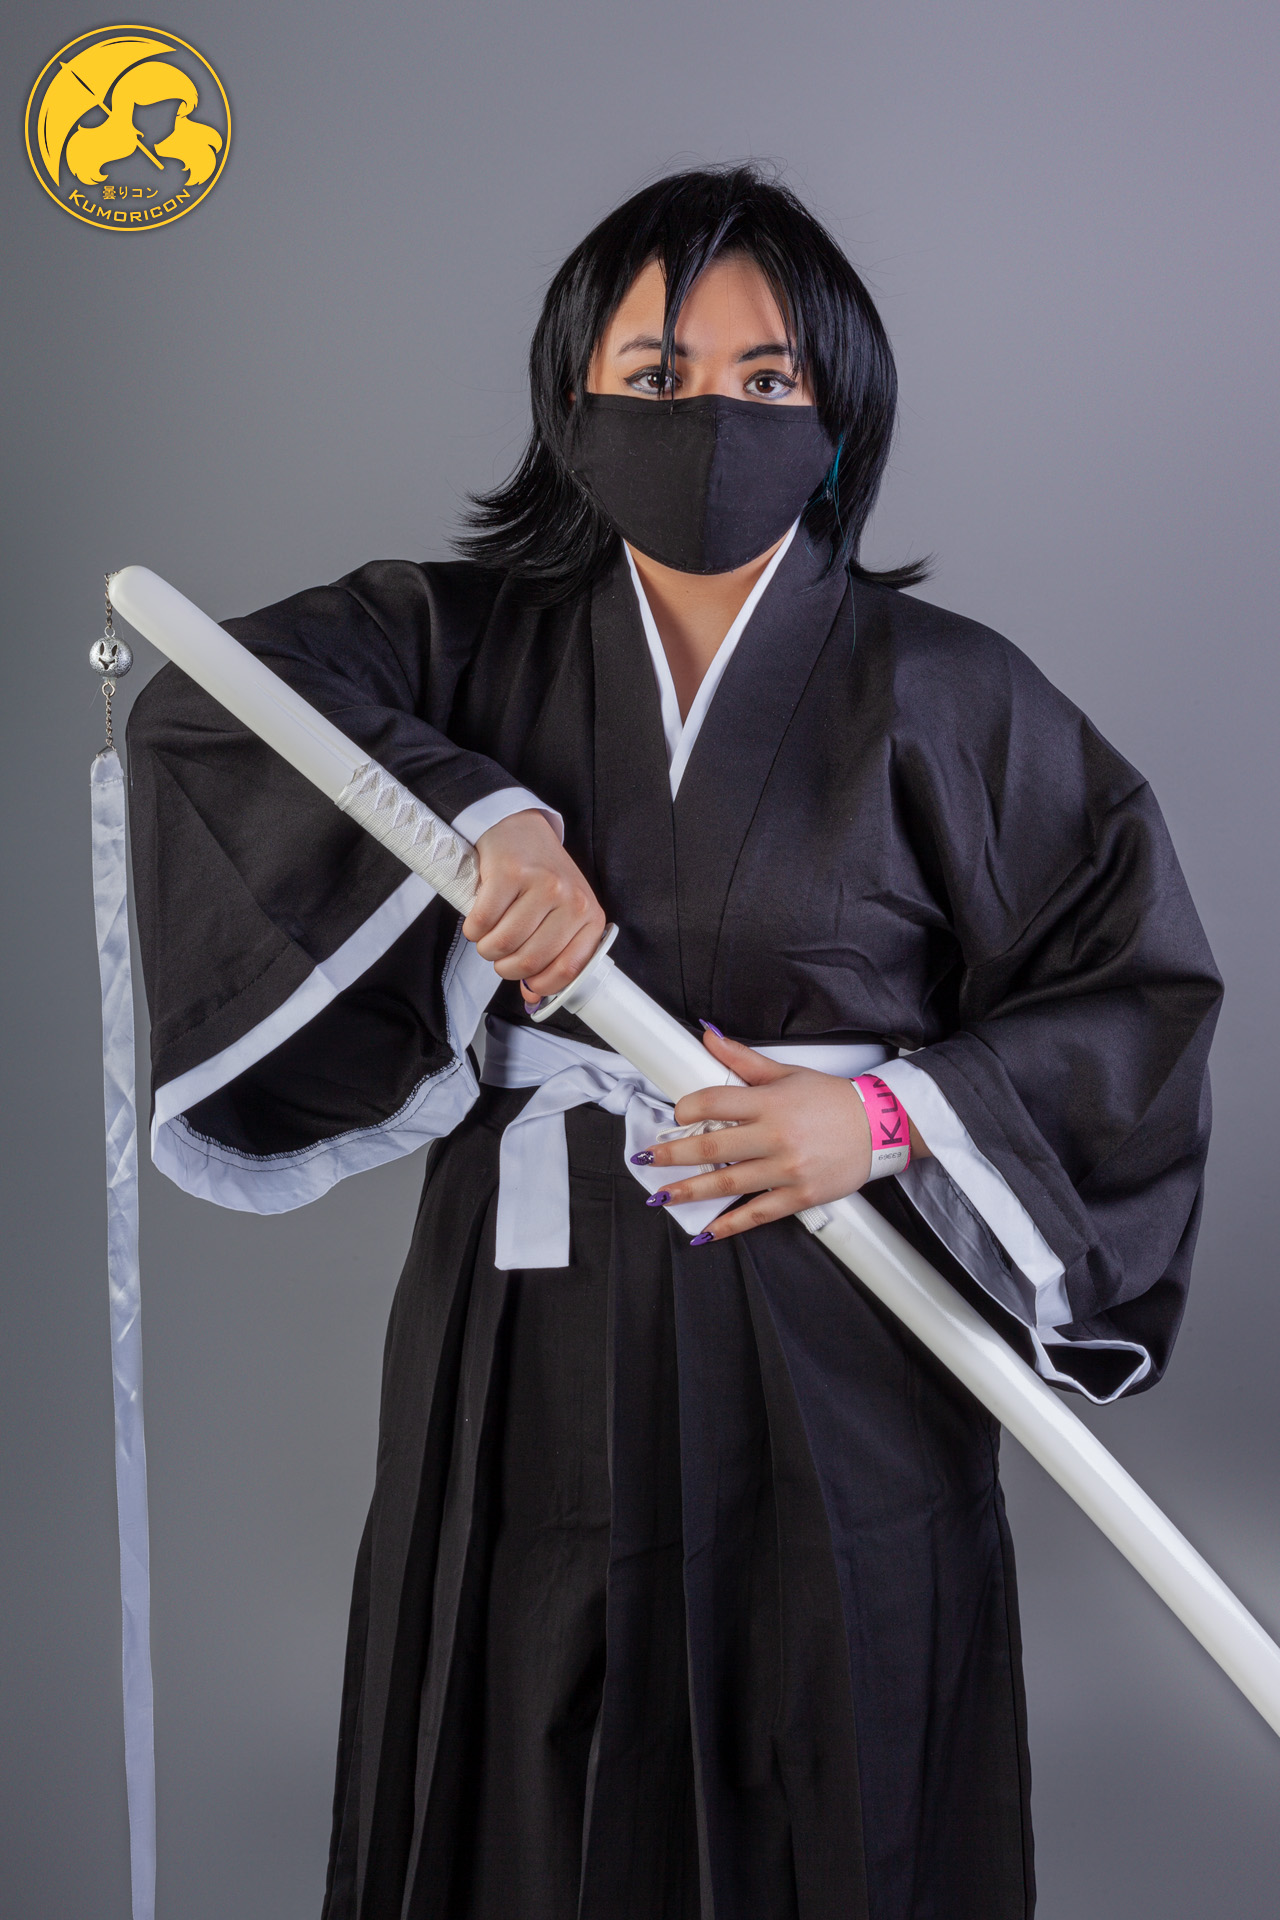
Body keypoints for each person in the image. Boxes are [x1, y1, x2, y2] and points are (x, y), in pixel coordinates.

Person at [125, 166, 1221, 1920]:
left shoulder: (952, 692)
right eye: (655, 373)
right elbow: (211, 707)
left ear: (837, 416)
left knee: (840, 1751)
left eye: (764, 377)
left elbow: (1133, 991)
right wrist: (480, 816)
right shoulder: (451, 642)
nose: (708, 414)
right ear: (575, 408)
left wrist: (886, 1118)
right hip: (527, 1337)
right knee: (511, 1736)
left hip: (839, 1332)